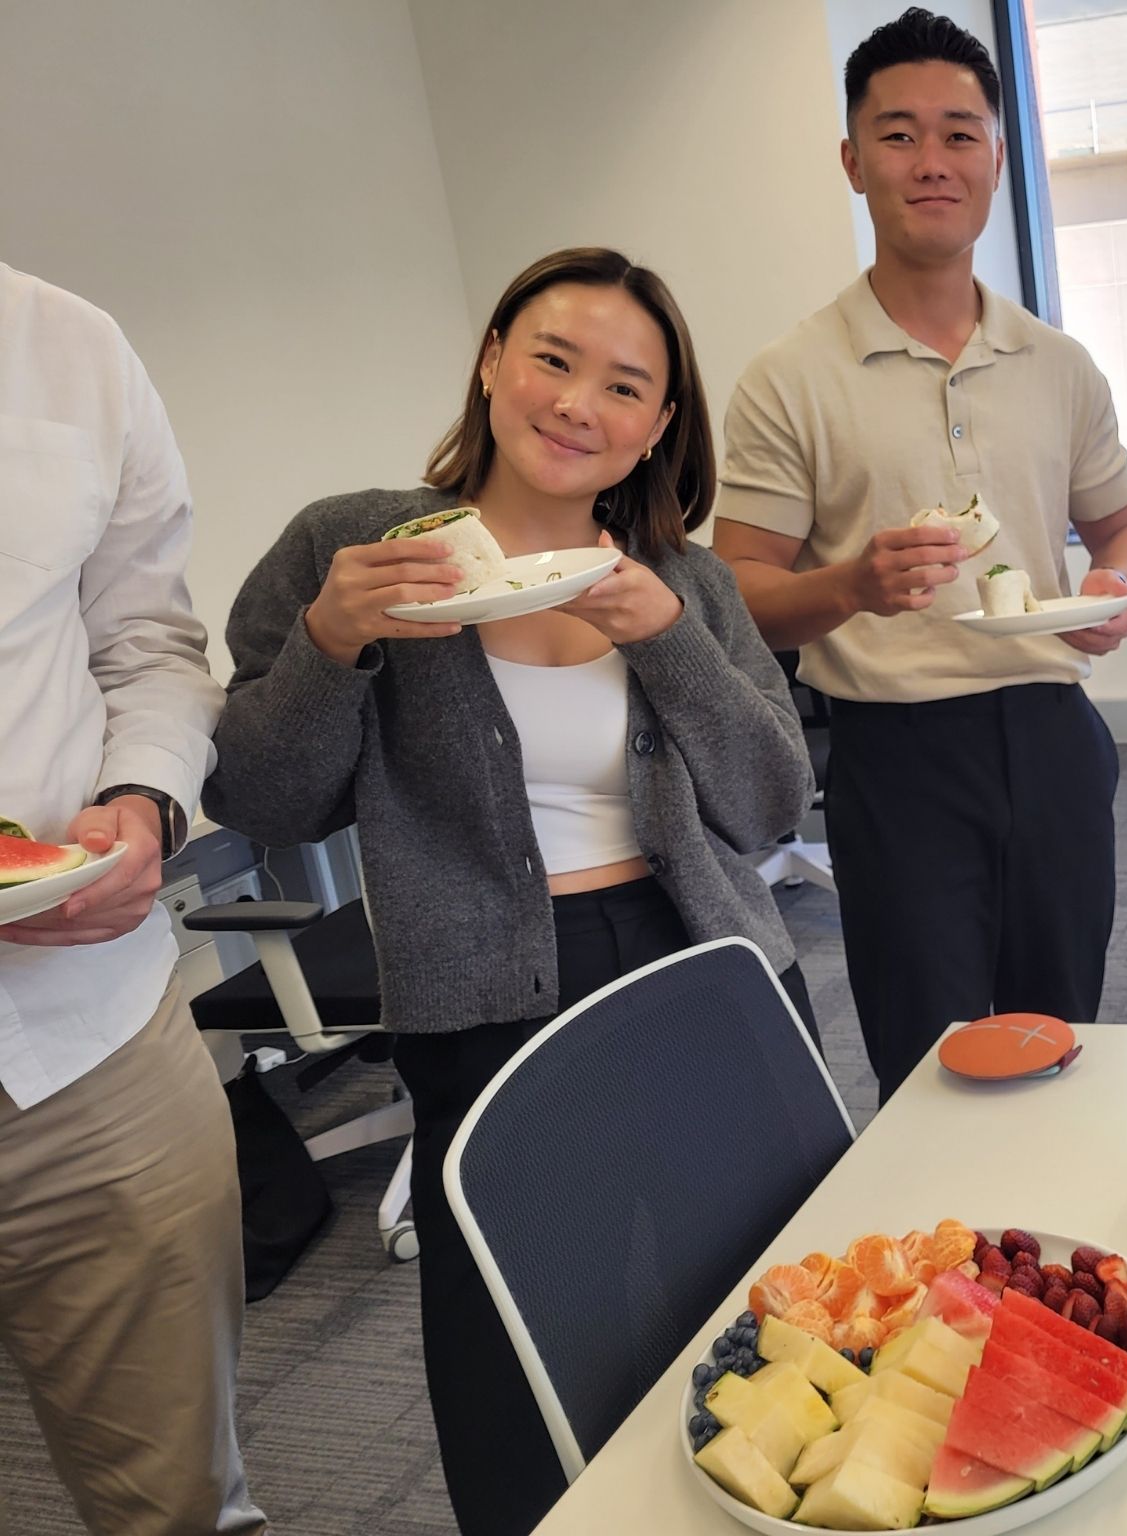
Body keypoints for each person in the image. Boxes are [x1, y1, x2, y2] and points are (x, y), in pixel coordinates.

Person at [204, 248, 816, 1534]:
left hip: (703, 964)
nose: (577, 401)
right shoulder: (352, 544)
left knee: (769, 1317)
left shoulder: (685, 577)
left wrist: (669, 642)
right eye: (552, 357)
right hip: (489, 991)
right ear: (491, 362)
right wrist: (330, 644)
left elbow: (769, 806)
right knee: (518, 1343)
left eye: (623, 385)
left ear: (656, 427)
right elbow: (261, 799)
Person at [714, 8, 1127, 1101]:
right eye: (900, 134)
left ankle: (1047, 1259)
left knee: (1060, 1042)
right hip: (898, 758)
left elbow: (1126, 532)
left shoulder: (1057, 364)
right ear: (852, 160)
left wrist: (1114, 587)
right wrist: (852, 586)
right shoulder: (791, 375)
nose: (931, 162)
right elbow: (734, 595)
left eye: (960, 134)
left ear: (996, 158)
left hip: (1053, 736)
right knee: (934, 1064)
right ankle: (944, 1259)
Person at [0, 264, 267, 1534]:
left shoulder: (71, 346)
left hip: (90, 1032)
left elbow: (148, 641)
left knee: (179, 1504)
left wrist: (146, 798)